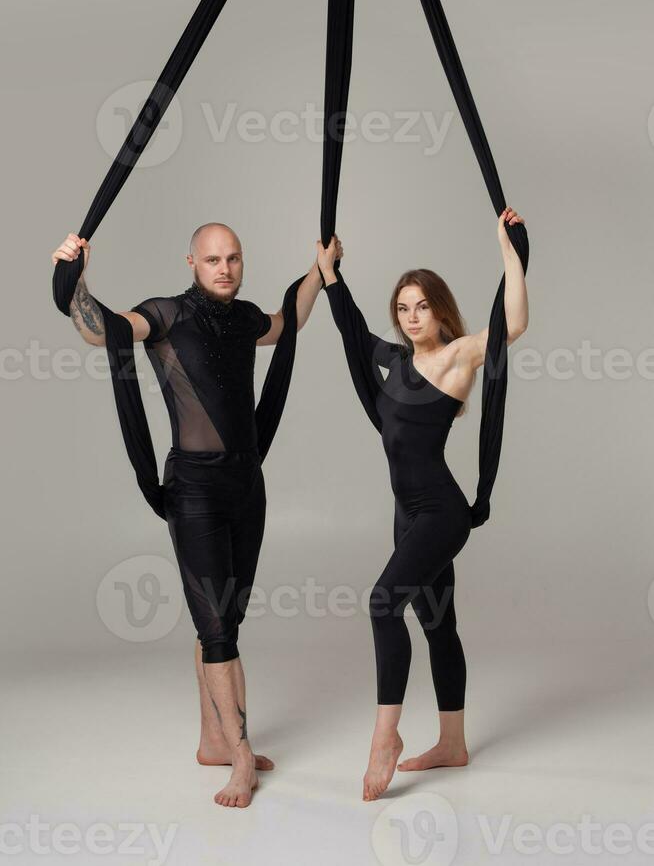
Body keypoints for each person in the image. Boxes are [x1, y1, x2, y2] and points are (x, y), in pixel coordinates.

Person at [51, 223, 337, 808]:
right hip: (196, 490)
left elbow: (291, 324)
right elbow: (99, 330)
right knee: (217, 629)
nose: (224, 268)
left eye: (233, 258)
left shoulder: (246, 316)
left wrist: (319, 269)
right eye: (212, 259)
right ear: (192, 262)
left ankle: (213, 739)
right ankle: (239, 756)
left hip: (246, 485)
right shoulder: (167, 315)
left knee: (226, 616)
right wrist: (74, 278)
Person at [317, 208, 528, 801]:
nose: (412, 318)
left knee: (384, 605)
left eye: (422, 307)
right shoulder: (392, 360)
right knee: (438, 624)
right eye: (403, 308)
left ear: (440, 310)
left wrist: (510, 252)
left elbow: (513, 324)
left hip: (441, 512)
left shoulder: (458, 356)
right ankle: (453, 744)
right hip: (406, 515)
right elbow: (352, 330)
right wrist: (331, 272)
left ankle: (386, 736)